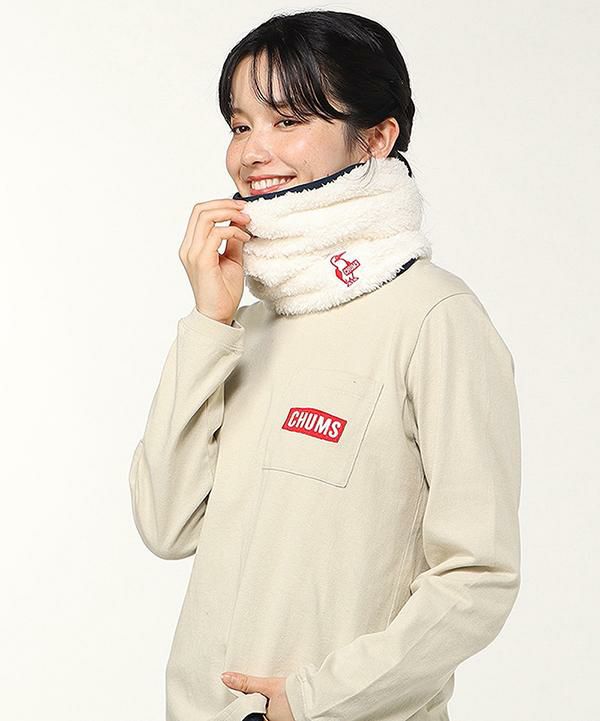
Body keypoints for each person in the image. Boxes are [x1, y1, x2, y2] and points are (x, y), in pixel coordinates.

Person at [128, 10, 522, 721]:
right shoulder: (246, 324)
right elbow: (167, 524)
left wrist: (313, 700)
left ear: (376, 137)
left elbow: (478, 575)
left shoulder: (434, 316)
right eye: (240, 125)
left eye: (287, 121)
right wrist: (208, 323)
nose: (253, 152)